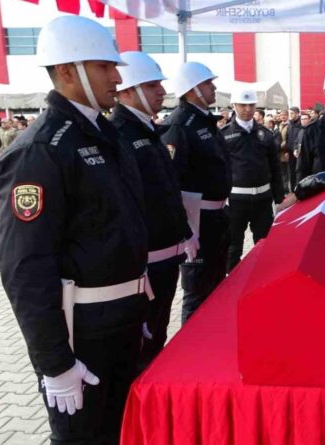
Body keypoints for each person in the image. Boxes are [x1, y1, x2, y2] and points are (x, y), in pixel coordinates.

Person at [0, 16, 150, 444]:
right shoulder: (41, 149)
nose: (117, 78)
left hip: (120, 321)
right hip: (82, 333)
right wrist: (55, 363)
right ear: (67, 71)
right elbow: (25, 267)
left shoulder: (106, 133)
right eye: (105, 66)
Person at [110, 51, 194, 370]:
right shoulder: (120, 134)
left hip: (165, 256)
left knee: (155, 339)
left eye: (159, 83)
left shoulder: (147, 129)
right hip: (145, 266)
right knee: (143, 348)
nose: (161, 90)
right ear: (126, 91)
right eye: (150, 85)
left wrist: (185, 233)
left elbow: (166, 190)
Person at [163, 61, 231, 324]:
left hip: (216, 219)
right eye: (207, 83)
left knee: (215, 286)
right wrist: (186, 230)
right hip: (197, 222)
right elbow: (172, 182)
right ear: (192, 89)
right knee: (196, 292)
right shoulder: (179, 125)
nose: (213, 87)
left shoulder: (204, 121)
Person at [222, 89, 284, 272]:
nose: (248, 109)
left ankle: (261, 283)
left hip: (263, 200)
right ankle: (231, 289)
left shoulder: (266, 134)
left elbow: (275, 168)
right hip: (235, 201)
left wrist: (279, 199)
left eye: (251, 105)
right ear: (234, 105)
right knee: (233, 248)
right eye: (243, 105)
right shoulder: (224, 134)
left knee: (264, 246)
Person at [283, 106, 303, 192]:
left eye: (292, 113)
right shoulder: (290, 124)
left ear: (298, 114)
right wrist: (287, 151)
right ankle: (292, 191)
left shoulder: (301, 124)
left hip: (299, 153)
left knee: (299, 171)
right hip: (290, 152)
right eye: (290, 113)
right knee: (291, 172)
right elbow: (287, 138)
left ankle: (299, 189)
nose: (291, 115)